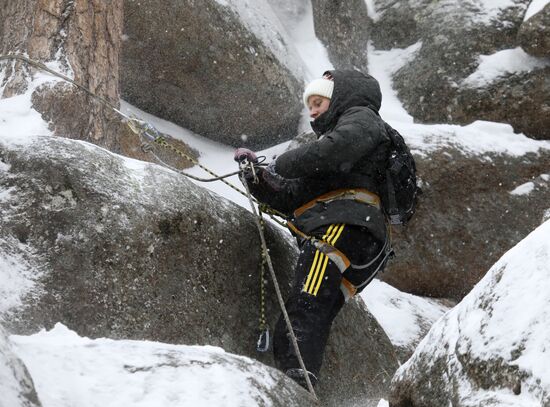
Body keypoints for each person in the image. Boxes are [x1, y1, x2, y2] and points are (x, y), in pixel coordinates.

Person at [234, 69, 393, 389]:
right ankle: (298, 380)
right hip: (358, 239)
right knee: (305, 314)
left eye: (319, 101)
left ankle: (297, 383)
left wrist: (281, 163)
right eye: (310, 105)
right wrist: (258, 179)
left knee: (306, 307)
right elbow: (293, 197)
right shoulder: (333, 155)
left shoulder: (361, 118)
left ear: (339, 98)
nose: (314, 110)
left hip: (346, 226)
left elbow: (337, 147)